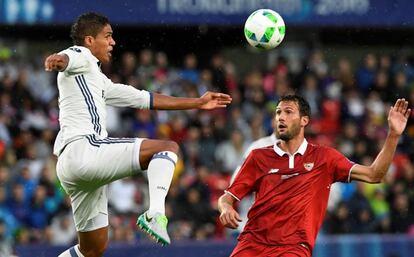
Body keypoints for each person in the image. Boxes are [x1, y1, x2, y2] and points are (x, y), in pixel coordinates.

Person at [44, 12, 232, 257]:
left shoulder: (98, 81)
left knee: (91, 249)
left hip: (72, 167)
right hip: (85, 150)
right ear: (89, 40)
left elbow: (147, 99)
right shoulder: (82, 56)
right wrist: (58, 59)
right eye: (108, 36)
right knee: (168, 148)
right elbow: (69, 57)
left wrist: (197, 102)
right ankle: (155, 212)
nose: (113, 42)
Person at [218, 95, 410, 257]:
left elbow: (374, 175)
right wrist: (226, 208)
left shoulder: (324, 158)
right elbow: (228, 197)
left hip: (293, 248)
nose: (281, 118)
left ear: (304, 120)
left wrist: (393, 135)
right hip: (252, 244)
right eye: (278, 113)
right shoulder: (258, 156)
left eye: (288, 112)